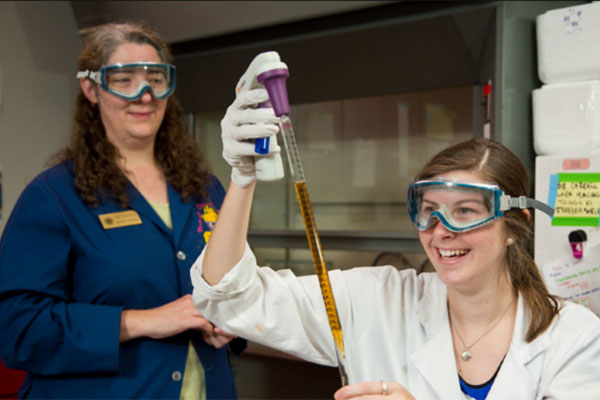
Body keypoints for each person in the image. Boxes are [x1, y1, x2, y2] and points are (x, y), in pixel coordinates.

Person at [190, 87, 600, 400]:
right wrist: (242, 179)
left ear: (514, 226)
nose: (440, 229)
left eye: (466, 211)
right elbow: (230, 299)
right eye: (430, 209)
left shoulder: (572, 337)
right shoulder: (378, 300)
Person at [0, 21, 243, 399]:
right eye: (124, 79)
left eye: (155, 79)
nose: (144, 95)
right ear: (91, 89)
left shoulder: (204, 188)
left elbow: (237, 286)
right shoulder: (53, 196)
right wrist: (138, 322)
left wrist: (234, 322)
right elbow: (17, 329)